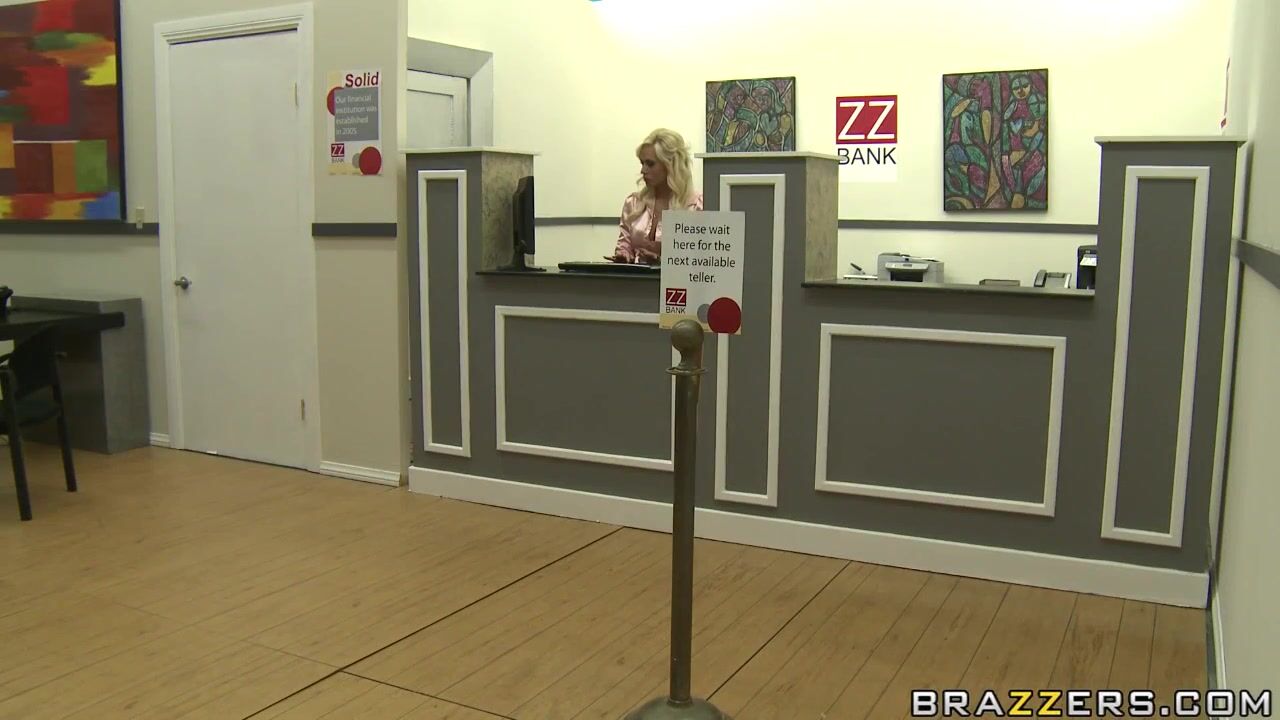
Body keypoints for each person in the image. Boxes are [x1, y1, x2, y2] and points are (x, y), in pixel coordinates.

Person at [608, 128, 703, 264]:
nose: (643, 170)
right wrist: (623, 255)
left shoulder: (697, 206)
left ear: (670, 165)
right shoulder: (634, 203)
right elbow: (624, 244)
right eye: (642, 163)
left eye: (650, 164)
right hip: (637, 277)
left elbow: (701, 258)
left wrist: (661, 261)